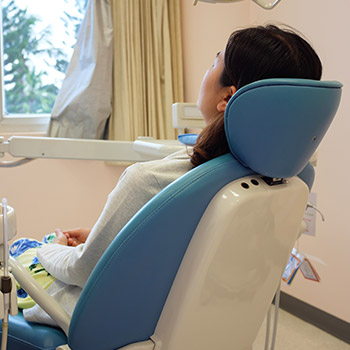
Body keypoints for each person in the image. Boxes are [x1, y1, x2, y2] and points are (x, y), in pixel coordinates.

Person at [17, 24, 322, 325]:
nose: (206, 71)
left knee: (20, 260)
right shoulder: (290, 182)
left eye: (213, 63)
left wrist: (50, 249)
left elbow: (83, 270)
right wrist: (109, 239)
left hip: (112, 326)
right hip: (206, 326)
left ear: (228, 99)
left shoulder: (150, 180)